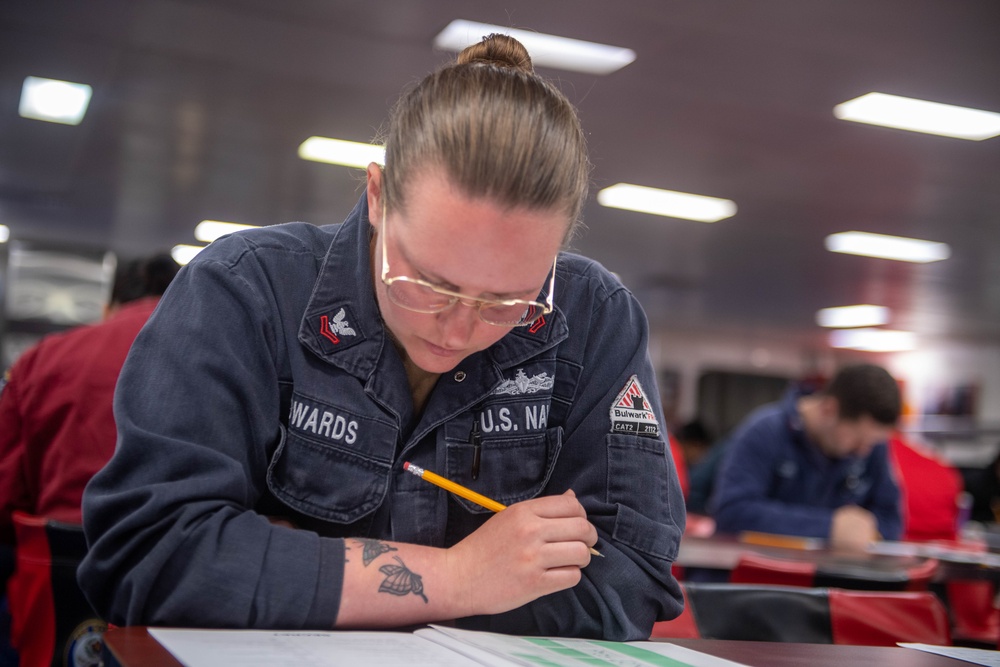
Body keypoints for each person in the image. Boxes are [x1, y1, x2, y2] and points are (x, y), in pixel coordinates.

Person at [77, 34, 685, 640]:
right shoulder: (246, 290)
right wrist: (458, 578)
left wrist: (287, 569)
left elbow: (629, 582)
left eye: (506, 299)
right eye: (429, 283)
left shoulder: (594, 317)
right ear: (377, 196)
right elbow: (148, 556)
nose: (459, 329)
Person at [0, 253, 179, 537]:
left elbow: (6, 492)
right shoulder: (213, 359)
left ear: (108, 308)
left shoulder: (42, 357)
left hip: (56, 552)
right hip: (171, 553)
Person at [709, 364, 903, 551]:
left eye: (871, 443)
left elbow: (890, 521)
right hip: (763, 569)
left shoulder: (872, 449)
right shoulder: (765, 433)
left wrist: (866, 531)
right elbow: (732, 513)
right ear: (829, 409)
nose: (863, 452)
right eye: (857, 439)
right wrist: (828, 527)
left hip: (835, 571)